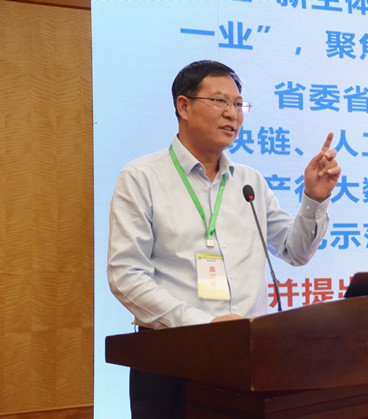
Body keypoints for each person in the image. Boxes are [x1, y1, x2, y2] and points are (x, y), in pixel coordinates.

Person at [106, 60, 340, 418]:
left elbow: (294, 251)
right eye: (220, 101)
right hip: (173, 364)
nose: (233, 114)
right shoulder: (141, 177)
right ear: (184, 106)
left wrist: (314, 199)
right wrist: (205, 327)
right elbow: (126, 275)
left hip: (248, 363)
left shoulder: (249, 182)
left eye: (239, 104)